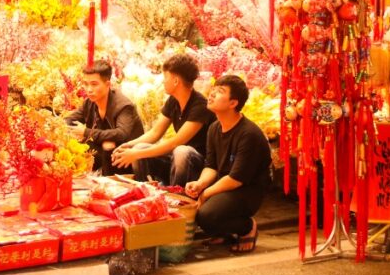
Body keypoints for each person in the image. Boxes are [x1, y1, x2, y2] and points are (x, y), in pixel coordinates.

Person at [185, 74, 271, 254]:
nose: (212, 94)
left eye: (220, 91)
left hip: (247, 190)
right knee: (190, 204)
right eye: (214, 89)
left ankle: (247, 227)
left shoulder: (248, 134)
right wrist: (200, 185)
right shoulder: (214, 128)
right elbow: (211, 166)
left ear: (233, 103)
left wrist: (206, 193)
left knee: (206, 214)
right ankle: (224, 233)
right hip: (225, 185)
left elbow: (236, 179)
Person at [112, 53, 215, 186]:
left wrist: (136, 154)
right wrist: (129, 145)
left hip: (198, 165)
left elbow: (176, 143)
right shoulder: (174, 100)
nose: (163, 81)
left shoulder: (200, 105)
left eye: (165, 77)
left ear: (176, 81)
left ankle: (177, 199)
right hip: (177, 158)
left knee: (181, 151)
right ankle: (147, 195)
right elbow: (155, 133)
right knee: (140, 147)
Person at [64, 60, 143, 175]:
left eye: (94, 84)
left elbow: (121, 134)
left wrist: (86, 132)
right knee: (76, 144)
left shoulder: (124, 106)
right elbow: (70, 120)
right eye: (86, 84)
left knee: (108, 144)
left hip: (126, 156)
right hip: (103, 152)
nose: (89, 89)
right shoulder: (89, 103)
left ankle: (109, 184)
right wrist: (61, 126)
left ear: (107, 85)